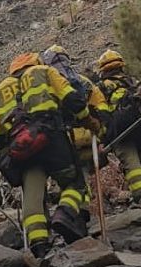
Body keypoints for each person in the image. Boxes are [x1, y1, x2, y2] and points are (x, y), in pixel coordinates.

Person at [0, 52, 97, 259]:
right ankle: (65, 214)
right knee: (75, 184)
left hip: (22, 148)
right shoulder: (45, 71)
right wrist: (88, 121)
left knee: (33, 196)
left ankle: (39, 245)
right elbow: (73, 101)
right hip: (52, 139)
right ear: (35, 62)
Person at [41, 45, 111, 222]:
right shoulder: (83, 81)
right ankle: (81, 213)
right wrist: (100, 129)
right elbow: (102, 106)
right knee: (83, 178)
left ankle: (71, 214)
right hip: (87, 137)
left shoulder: (49, 82)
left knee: (72, 181)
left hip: (62, 142)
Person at [95, 50, 141, 199]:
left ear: (103, 69)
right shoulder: (133, 82)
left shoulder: (102, 87)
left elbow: (102, 114)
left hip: (121, 133)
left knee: (132, 164)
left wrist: (104, 137)